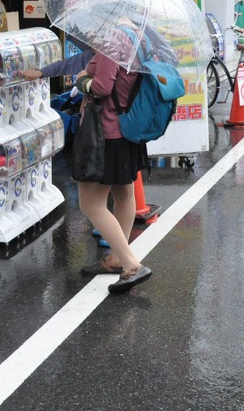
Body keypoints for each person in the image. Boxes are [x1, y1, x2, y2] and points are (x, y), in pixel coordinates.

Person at [72, 38, 152, 294]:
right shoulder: (141, 39)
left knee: (90, 204)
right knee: (123, 194)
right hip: (128, 131)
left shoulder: (113, 42)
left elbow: (102, 87)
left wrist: (82, 79)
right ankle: (117, 259)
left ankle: (131, 264)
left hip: (104, 134)